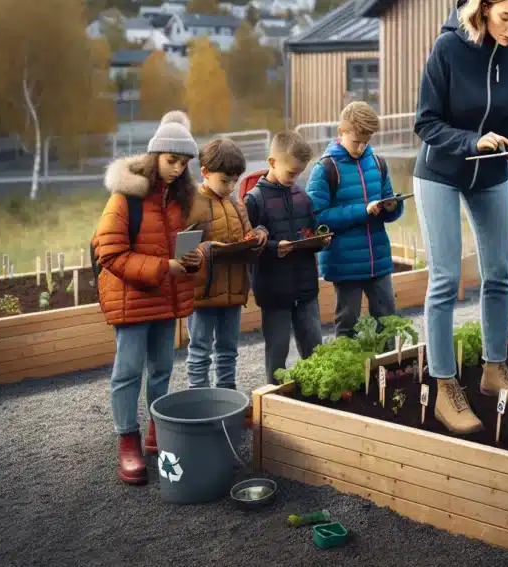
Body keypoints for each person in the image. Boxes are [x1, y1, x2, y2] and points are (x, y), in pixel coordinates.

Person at [413, 0, 508, 435]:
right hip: (442, 171)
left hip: (490, 172)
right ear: (484, 6)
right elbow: (425, 124)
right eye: (506, 17)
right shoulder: (448, 48)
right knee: (446, 279)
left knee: (498, 276)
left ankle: (494, 371)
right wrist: (471, 141)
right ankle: (445, 385)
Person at [92, 110, 204, 486]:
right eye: (172, 160)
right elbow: (108, 252)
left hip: (166, 298)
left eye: (184, 163)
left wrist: (193, 259)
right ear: (154, 156)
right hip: (133, 297)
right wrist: (163, 267)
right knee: (127, 373)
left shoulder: (181, 200)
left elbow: (183, 251)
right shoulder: (127, 196)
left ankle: (158, 431)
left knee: (162, 369)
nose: (177, 169)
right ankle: (128, 442)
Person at [308, 101, 403, 338]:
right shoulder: (325, 169)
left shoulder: (378, 164)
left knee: (389, 323)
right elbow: (317, 218)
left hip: (378, 261)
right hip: (344, 264)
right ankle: (350, 374)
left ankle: (390, 371)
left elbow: (388, 212)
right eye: (355, 141)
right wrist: (363, 210)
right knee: (348, 323)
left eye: (366, 141)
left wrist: (392, 207)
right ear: (341, 131)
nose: (360, 147)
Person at [244, 131, 332, 385]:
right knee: (278, 348)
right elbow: (247, 247)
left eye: (299, 173)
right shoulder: (254, 200)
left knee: (313, 344)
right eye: (291, 173)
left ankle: (316, 394)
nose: (295, 178)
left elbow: (309, 233)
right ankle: (275, 396)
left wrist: (318, 242)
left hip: (305, 288)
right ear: (272, 162)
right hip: (274, 290)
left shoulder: (303, 198)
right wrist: (273, 247)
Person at [185, 137, 267, 391]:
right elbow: (181, 250)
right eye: (225, 180)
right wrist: (208, 249)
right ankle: (199, 401)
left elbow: (248, 237)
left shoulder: (236, 204)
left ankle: (227, 398)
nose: (231, 186)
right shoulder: (191, 203)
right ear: (205, 173)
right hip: (203, 294)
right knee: (199, 351)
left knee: (228, 351)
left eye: (235, 180)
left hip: (234, 292)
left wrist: (258, 237)